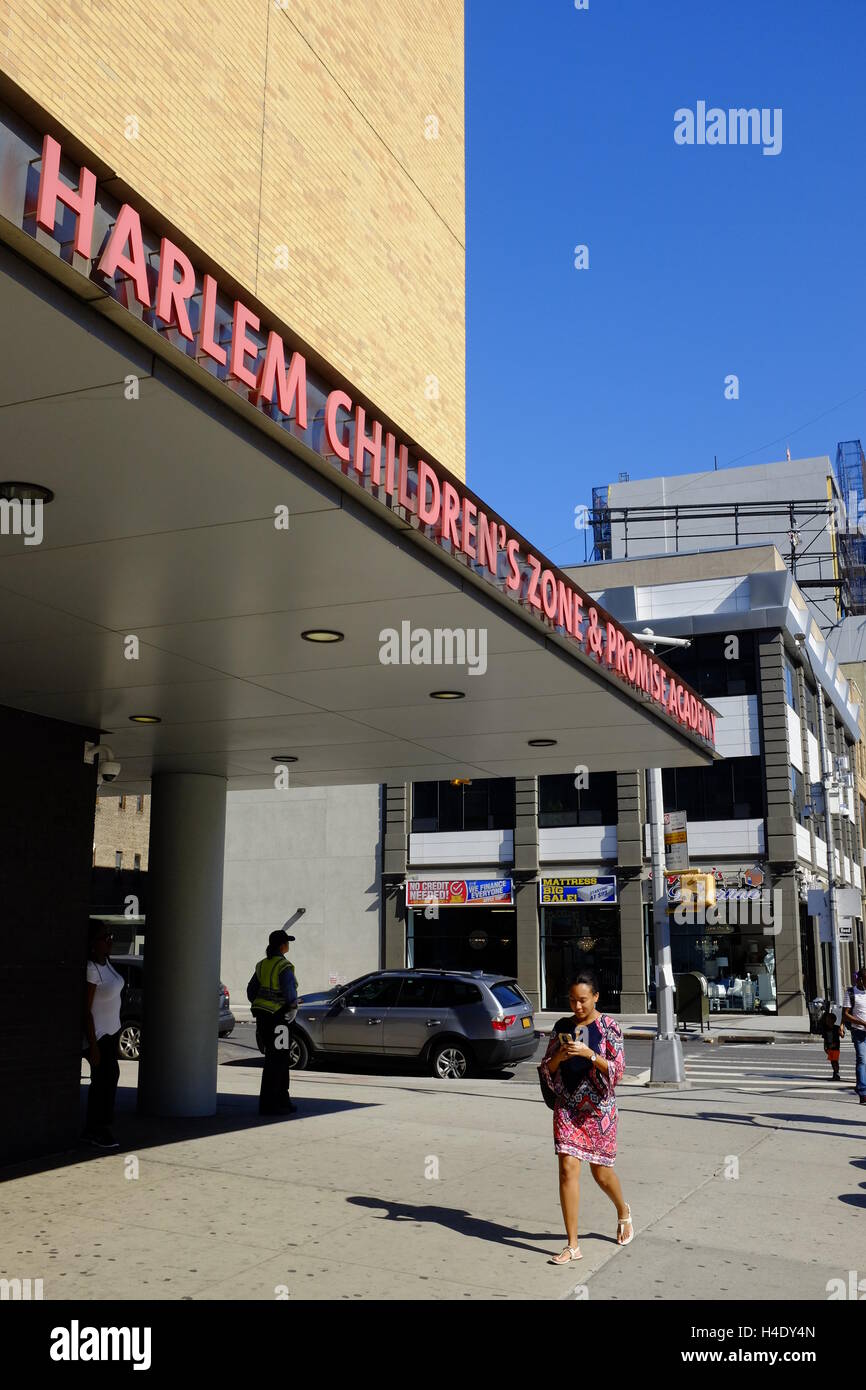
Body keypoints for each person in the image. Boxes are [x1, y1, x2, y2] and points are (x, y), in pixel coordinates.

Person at [540, 969, 633, 1263]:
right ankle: (572, 1245)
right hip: (567, 1107)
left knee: (601, 1173)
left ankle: (623, 1210)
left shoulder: (609, 1027)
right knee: (567, 1168)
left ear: (595, 997)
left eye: (582, 1000)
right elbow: (546, 1068)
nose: (576, 1007)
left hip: (599, 1111)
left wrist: (589, 1054)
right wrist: (561, 1057)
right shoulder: (562, 1025)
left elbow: (617, 1070)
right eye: (572, 1000)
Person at [247, 930, 299, 1116]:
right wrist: (292, 1007)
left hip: (263, 1017)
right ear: (282, 946)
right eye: (287, 942)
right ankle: (277, 1103)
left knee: (271, 1059)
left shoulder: (262, 965)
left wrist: (260, 1004)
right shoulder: (284, 966)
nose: (289, 945)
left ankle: (273, 1102)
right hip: (280, 1018)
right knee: (280, 1061)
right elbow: (288, 990)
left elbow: (251, 990)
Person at [82, 923, 124, 1150]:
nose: (109, 940)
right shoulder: (91, 968)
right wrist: (93, 1044)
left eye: (111, 936)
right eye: (104, 937)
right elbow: (86, 1009)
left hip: (111, 1033)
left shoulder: (107, 963)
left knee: (109, 1078)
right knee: (103, 1081)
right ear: (93, 943)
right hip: (97, 1036)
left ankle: (99, 1127)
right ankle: (96, 1129)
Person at [841, 966, 866, 1104]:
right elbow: (845, 1014)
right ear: (860, 980)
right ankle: (863, 1092)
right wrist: (863, 1023)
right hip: (859, 1032)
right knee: (862, 1060)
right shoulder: (851, 993)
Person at [819, 1003, 843, 1082]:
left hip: (835, 1047)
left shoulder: (836, 1028)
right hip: (829, 1047)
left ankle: (837, 1073)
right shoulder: (825, 1029)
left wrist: (841, 1032)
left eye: (829, 1020)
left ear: (833, 1021)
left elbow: (842, 1035)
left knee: (835, 1061)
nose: (827, 1021)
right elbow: (825, 1039)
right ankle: (835, 1072)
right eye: (826, 1020)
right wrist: (825, 1047)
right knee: (833, 1061)